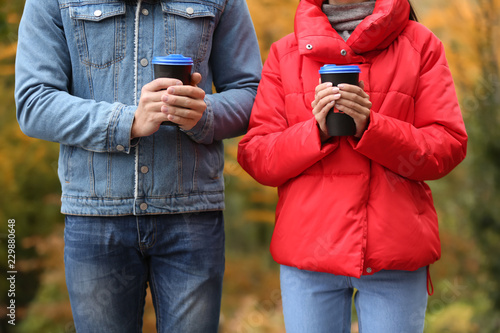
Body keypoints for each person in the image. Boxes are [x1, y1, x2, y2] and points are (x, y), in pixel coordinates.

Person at [15, 0, 261, 331]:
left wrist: (206, 115)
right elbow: (34, 102)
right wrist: (126, 121)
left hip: (191, 215)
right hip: (95, 218)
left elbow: (252, 93)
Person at [237, 0, 467, 332]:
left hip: (394, 254)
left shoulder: (421, 45)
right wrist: (315, 131)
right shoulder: (285, 53)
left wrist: (373, 127)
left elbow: (448, 146)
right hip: (308, 255)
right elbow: (256, 156)